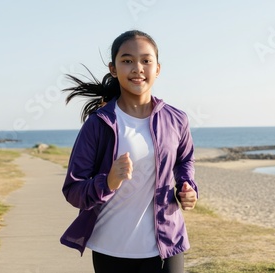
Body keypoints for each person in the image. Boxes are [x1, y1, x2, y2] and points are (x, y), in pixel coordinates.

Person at [60, 30, 198, 273]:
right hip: (111, 248)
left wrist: (187, 187)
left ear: (158, 69)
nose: (137, 68)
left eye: (146, 60)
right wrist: (108, 182)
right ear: (113, 69)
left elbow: (184, 160)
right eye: (127, 60)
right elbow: (73, 190)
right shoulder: (99, 124)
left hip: (166, 244)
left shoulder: (176, 119)